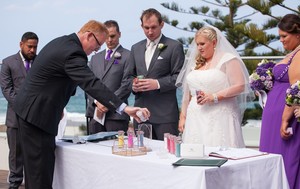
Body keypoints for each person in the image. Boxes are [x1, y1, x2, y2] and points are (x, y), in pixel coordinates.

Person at [12, 20, 150, 189]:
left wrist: (59, 105)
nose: (96, 50)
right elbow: (91, 83)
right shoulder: (73, 52)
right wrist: (124, 108)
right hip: (37, 116)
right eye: (97, 45)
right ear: (88, 35)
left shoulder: (63, 42)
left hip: (33, 112)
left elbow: (55, 79)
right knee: (39, 174)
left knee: (38, 171)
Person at [176, 26, 253, 148]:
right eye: (197, 44)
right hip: (195, 118)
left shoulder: (228, 59)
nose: (199, 48)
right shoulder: (196, 63)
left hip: (220, 117)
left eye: (202, 44)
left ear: (214, 42)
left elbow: (240, 85)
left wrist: (214, 97)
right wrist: (182, 116)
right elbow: (188, 94)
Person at [128, 8, 185, 140]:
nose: (150, 32)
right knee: (141, 154)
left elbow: (179, 78)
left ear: (162, 24)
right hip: (140, 114)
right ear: (141, 26)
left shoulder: (174, 46)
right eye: (146, 28)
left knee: (167, 155)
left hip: (165, 115)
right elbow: (128, 77)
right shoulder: (135, 48)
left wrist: (157, 84)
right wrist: (133, 85)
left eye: (154, 27)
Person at [260, 14, 300, 189]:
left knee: (285, 160)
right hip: (273, 117)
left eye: (285, 36)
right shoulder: (293, 53)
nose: (281, 40)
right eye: (280, 36)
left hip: (285, 118)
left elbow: (296, 90)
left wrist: (284, 119)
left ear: (298, 33)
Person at [0, 31, 39, 189]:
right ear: (21, 44)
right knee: (15, 156)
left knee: (33, 155)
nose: (32, 50)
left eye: (35, 47)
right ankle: (14, 185)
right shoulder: (8, 62)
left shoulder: (40, 62)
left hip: (36, 119)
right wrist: (25, 108)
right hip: (15, 118)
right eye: (29, 46)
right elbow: (7, 90)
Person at [85, 20, 131, 134]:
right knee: (94, 150)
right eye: (107, 36)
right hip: (95, 113)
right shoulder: (95, 58)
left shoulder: (128, 56)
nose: (109, 40)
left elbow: (126, 85)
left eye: (113, 36)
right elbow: (88, 83)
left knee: (116, 149)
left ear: (119, 34)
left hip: (116, 115)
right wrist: (96, 102)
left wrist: (108, 103)